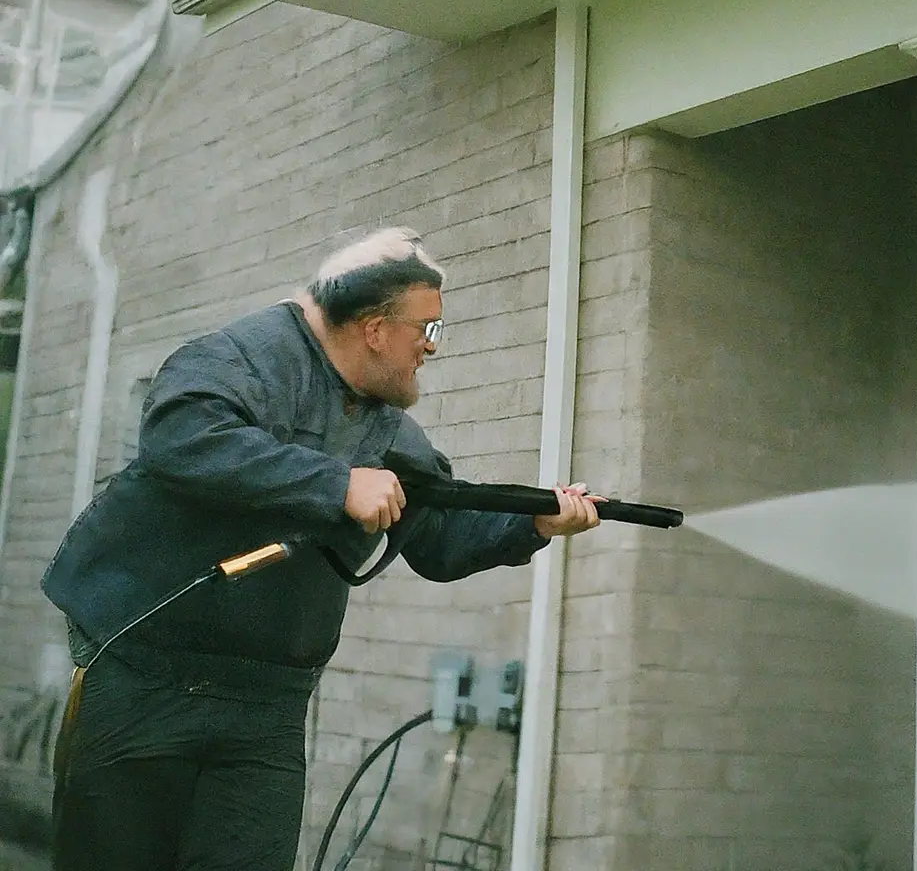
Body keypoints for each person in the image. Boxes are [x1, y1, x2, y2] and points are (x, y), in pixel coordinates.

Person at [42, 227, 600, 871]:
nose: (431, 348)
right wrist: (337, 486)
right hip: (141, 678)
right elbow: (184, 439)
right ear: (373, 328)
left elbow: (439, 541)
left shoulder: (388, 429)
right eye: (428, 329)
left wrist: (534, 527)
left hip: (267, 704)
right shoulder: (238, 360)